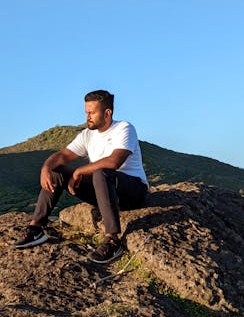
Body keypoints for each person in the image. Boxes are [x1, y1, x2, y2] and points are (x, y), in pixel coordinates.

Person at [14, 89, 148, 264]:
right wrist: (46, 168)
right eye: (86, 112)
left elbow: (114, 162)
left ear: (107, 113)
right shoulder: (87, 134)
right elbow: (63, 155)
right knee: (57, 171)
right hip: (104, 193)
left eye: (92, 112)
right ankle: (36, 228)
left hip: (132, 191)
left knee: (101, 173)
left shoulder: (123, 128)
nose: (88, 117)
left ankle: (113, 240)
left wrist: (79, 172)